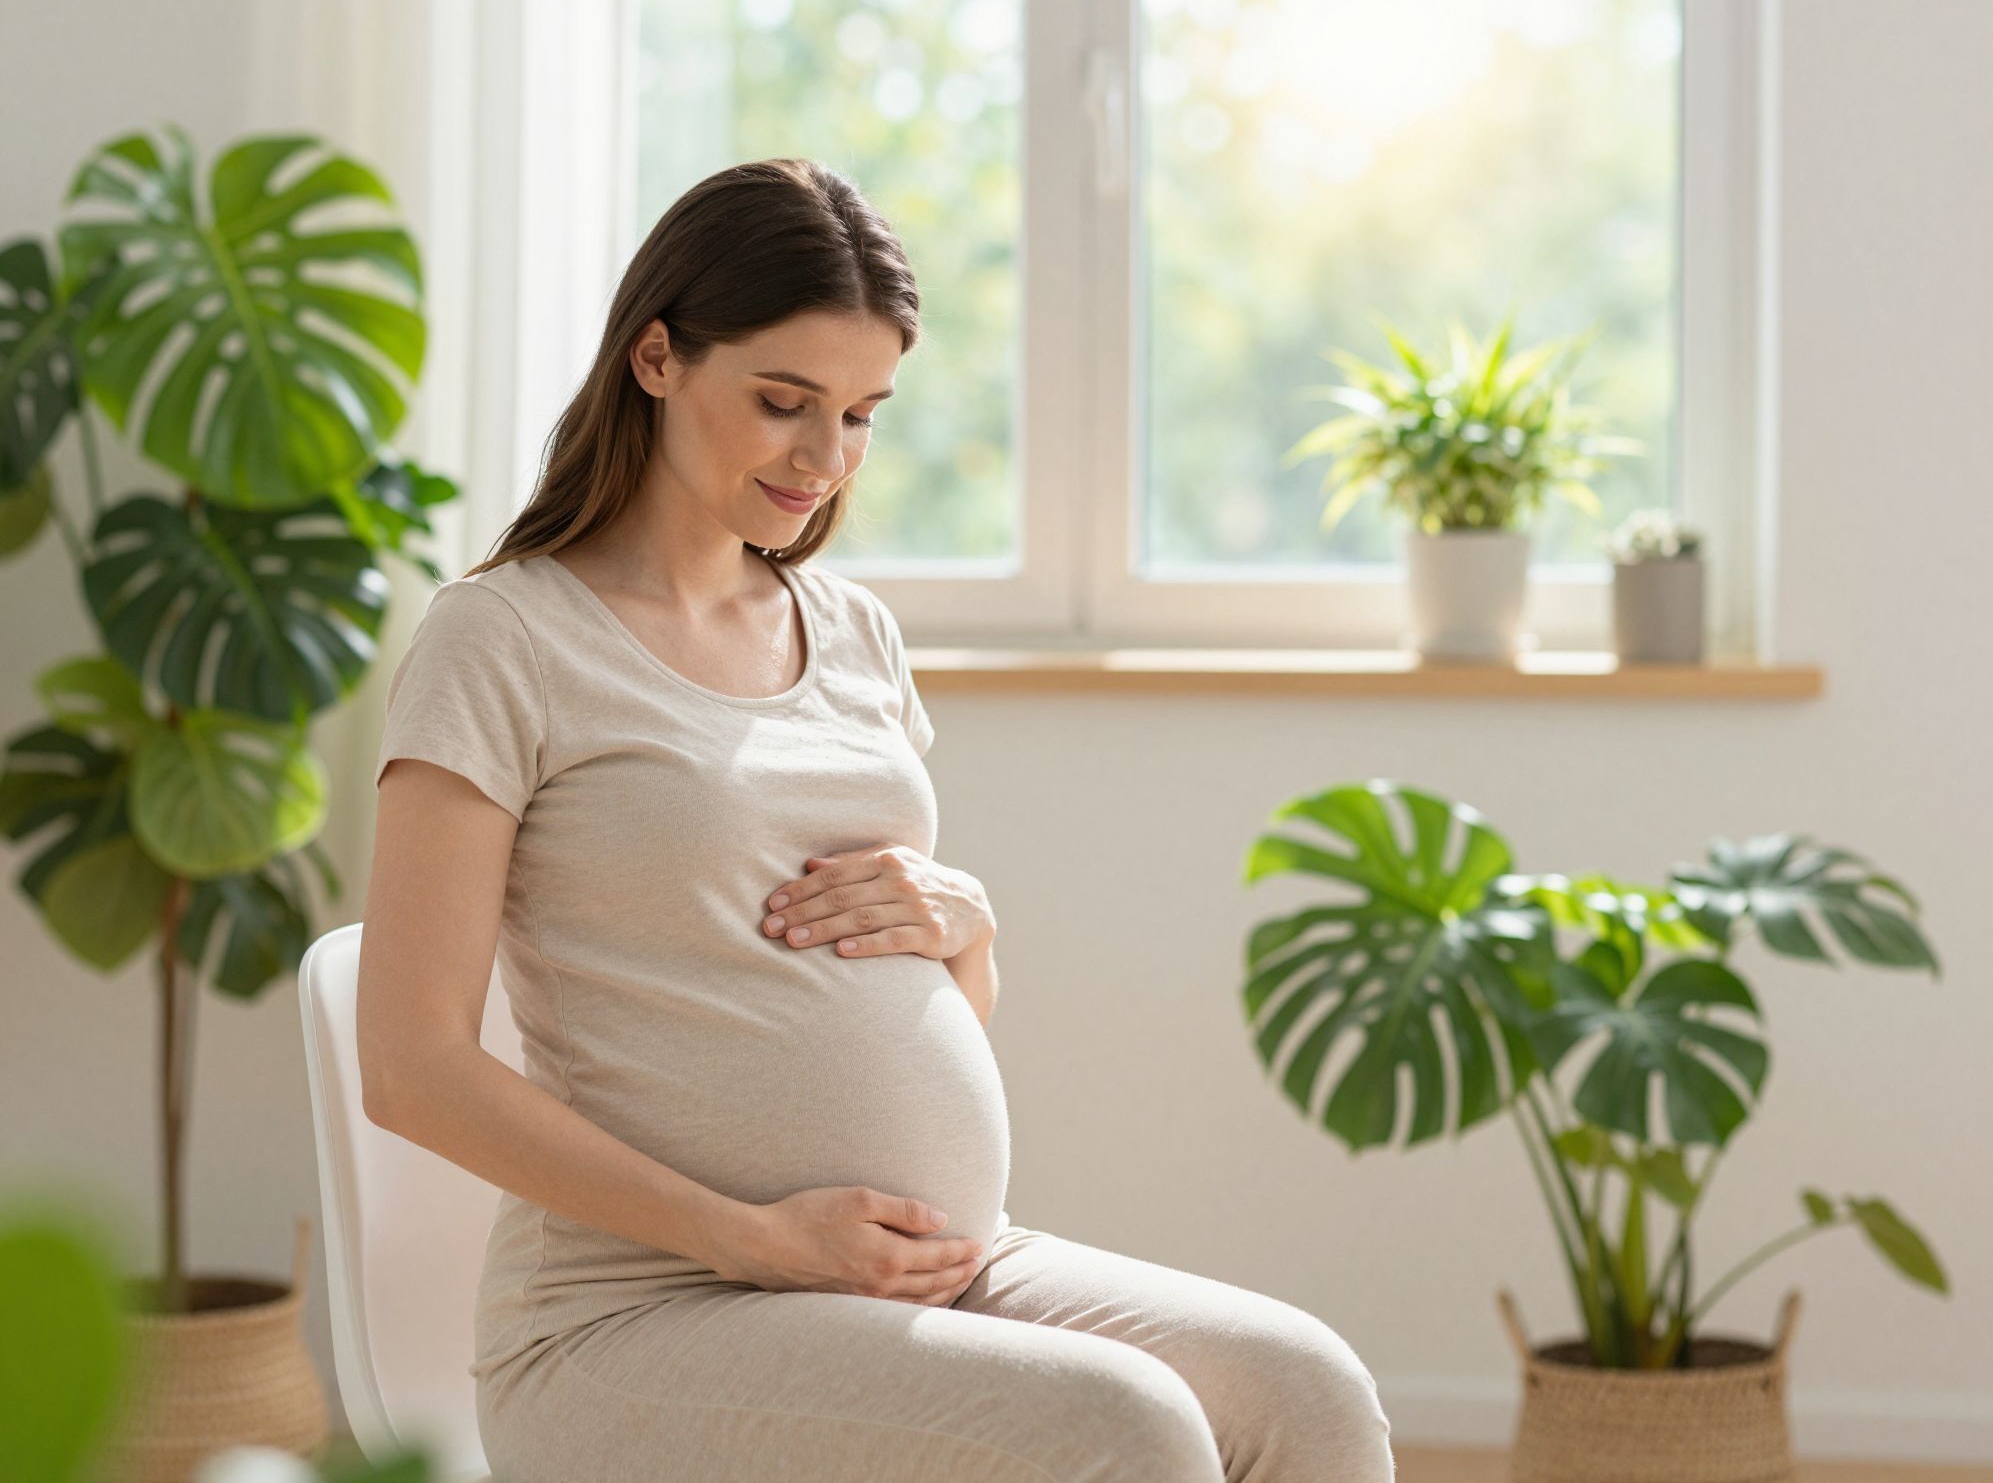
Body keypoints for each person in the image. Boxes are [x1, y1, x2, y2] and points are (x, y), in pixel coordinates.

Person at [359, 157, 1396, 1483]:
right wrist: (748, 1235)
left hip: (936, 1268)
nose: (823, 457)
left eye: (860, 413)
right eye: (783, 402)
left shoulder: (851, 634)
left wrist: (965, 926)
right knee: (1121, 1430)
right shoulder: (502, 640)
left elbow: (923, 1007)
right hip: (640, 1313)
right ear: (658, 358)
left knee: (1304, 1390)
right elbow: (410, 1068)